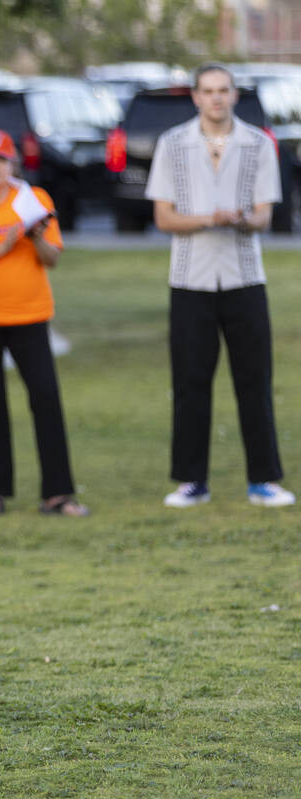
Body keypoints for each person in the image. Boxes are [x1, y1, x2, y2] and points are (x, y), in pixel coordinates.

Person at [146, 63, 294, 509]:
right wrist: (211, 218)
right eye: (208, 91)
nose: (216, 98)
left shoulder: (257, 144)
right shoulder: (173, 144)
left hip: (244, 277)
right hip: (190, 279)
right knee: (190, 380)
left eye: (223, 90)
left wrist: (242, 220)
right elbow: (163, 217)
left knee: (255, 379)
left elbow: (265, 216)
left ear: (234, 95)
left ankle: (263, 480)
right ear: (195, 96)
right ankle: (191, 481)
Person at [0, 128, 88, 518]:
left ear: (12, 164)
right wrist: (4, 246)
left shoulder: (33, 200)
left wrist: (36, 236)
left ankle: (58, 493)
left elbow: (52, 258)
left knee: (45, 399)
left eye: (0, 160)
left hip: (29, 314)